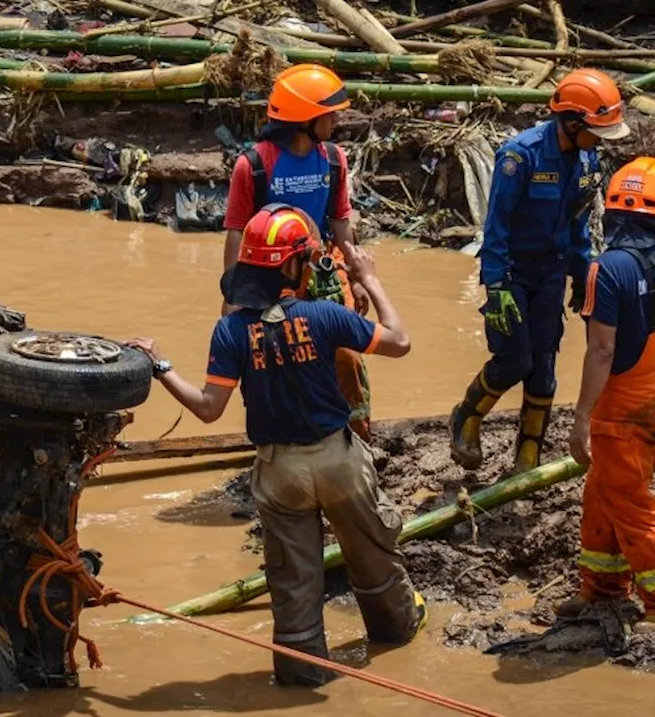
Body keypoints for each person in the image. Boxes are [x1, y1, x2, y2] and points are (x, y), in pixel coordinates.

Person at [125, 204, 425, 687]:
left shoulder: (231, 331)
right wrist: (369, 278)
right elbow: (400, 340)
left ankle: (302, 677)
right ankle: (395, 635)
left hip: (279, 471)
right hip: (338, 460)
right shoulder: (325, 315)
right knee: (373, 557)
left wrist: (161, 366)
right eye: (306, 259)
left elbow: (207, 408)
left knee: (293, 583)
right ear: (291, 265)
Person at [447, 68, 631, 476]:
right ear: (572, 122)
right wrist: (496, 286)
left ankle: (526, 461)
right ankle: (466, 417)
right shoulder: (520, 156)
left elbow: (578, 225)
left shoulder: (587, 158)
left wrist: (584, 277)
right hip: (512, 273)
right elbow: (495, 227)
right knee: (514, 361)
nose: (602, 139)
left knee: (544, 372)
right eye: (596, 130)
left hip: (551, 272)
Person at [559, 156, 655, 632]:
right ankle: (602, 589)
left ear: (616, 212)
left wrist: (581, 417)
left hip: (621, 412)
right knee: (604, 494)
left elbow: (601, 351)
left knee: (631, 502)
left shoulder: (608, 270)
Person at [222, 63, 375, 442]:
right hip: (270, 275)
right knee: (272, 358)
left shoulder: (334, 159)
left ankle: (356, 436)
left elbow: (340, 222)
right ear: (304, 119)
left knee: (346, 354)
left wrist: (358, 279)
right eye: (330, 114)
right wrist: (231, 296)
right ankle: (283, 437)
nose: (337, 120)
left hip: (321, 269)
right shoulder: (254, 165)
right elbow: (236, 232)